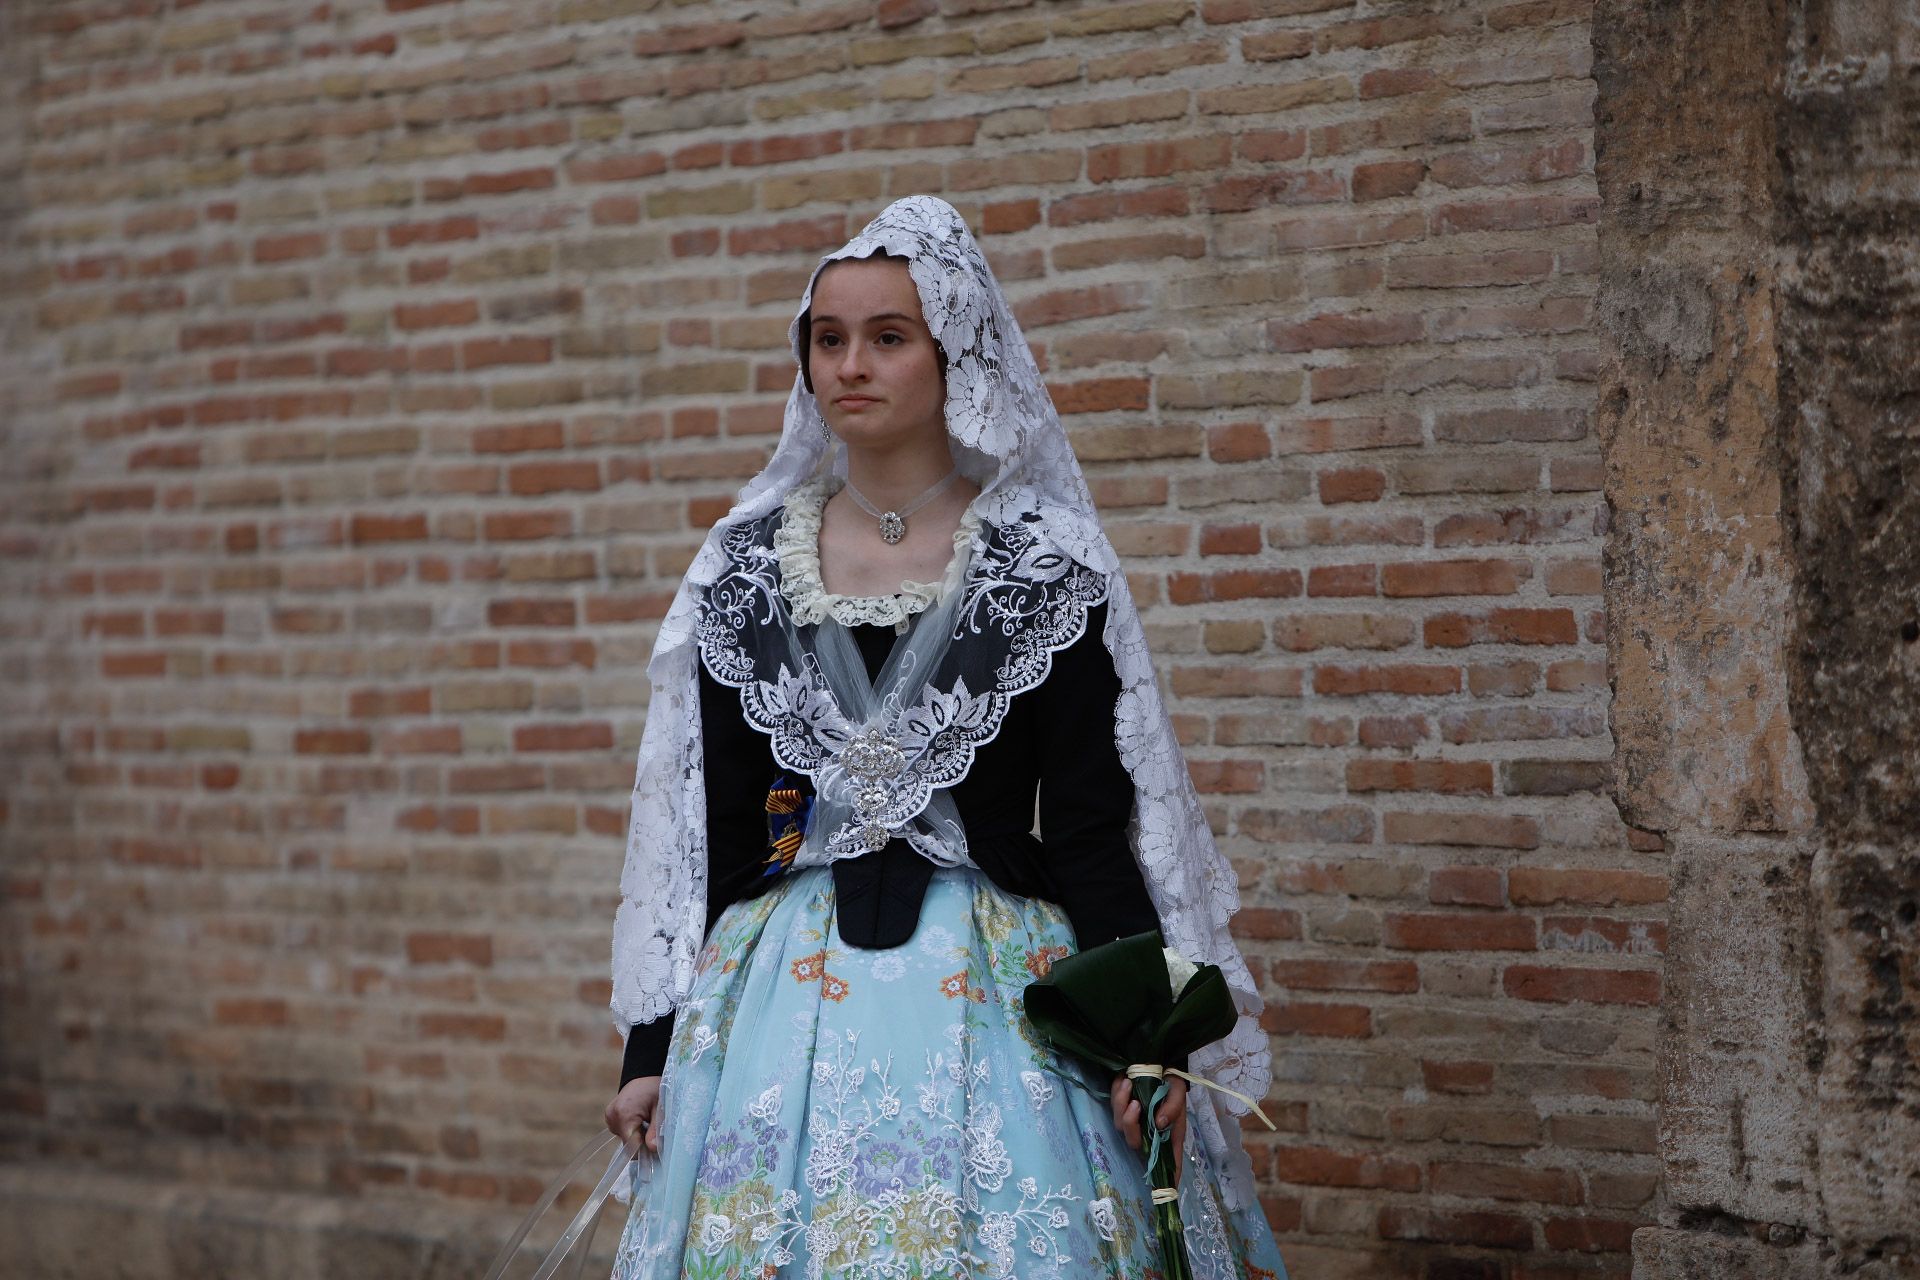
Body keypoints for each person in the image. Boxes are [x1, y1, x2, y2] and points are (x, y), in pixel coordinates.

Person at [601, 195, 1288, 1279]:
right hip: (778, 998)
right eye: (828, 339)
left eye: (887, 337)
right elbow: (705, 830)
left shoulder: (1044, 562)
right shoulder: (739, 567)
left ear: (952, 352)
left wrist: (1145, 1040)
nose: (850, 366)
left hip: (998, 991)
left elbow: (1096, 824)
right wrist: (652, 1049)